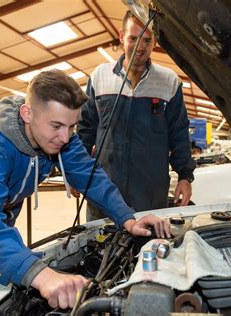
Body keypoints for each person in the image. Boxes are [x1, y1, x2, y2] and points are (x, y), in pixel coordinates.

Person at [0, 70, 170, 309]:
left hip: (5, 204)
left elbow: (91, 178)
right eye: (56, 125)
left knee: (3, 267)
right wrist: (43, 276)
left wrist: (127, 218)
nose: (65, 137)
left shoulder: (59, 137)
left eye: (72, 126)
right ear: (27, 114)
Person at [77, 11, 195, 221]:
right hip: (104, 191)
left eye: (147, 40)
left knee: (147, 249)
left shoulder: (169, 82)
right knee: (101, 251)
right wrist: (77, 173)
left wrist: (185, 176)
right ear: (121, 36)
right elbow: (85, 130)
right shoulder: (99, 77)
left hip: (150, 194)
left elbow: (179, 134)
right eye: (133, 38)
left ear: (155, 40)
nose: (140, 47)